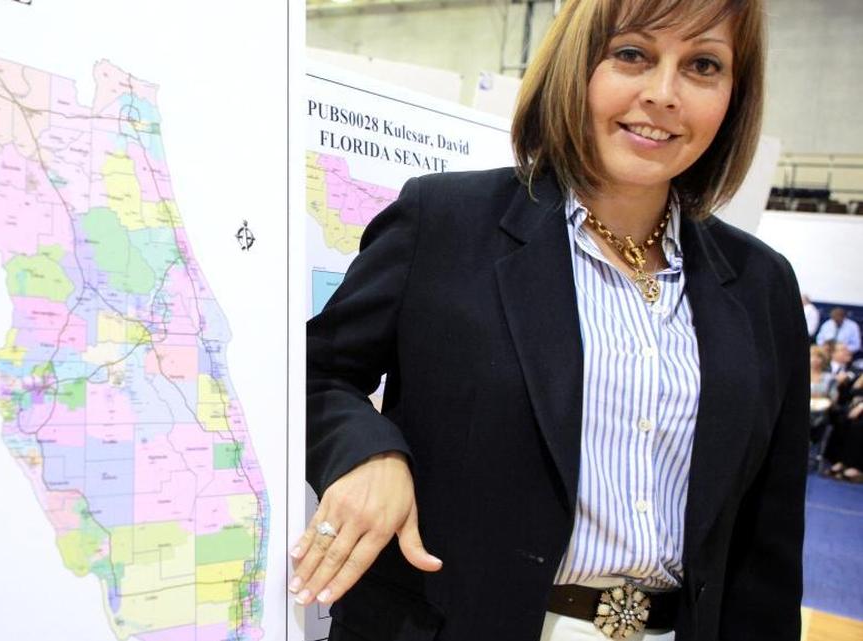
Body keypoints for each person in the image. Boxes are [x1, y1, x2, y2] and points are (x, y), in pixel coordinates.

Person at [298, 1, 806, 640]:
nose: (663, 94)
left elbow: (768, 540)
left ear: (735, 93)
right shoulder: (447, 222)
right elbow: (315, 373)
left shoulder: (762, 284)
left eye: (703, 65)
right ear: (577, 66)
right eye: (632, 55)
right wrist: (369, 454)